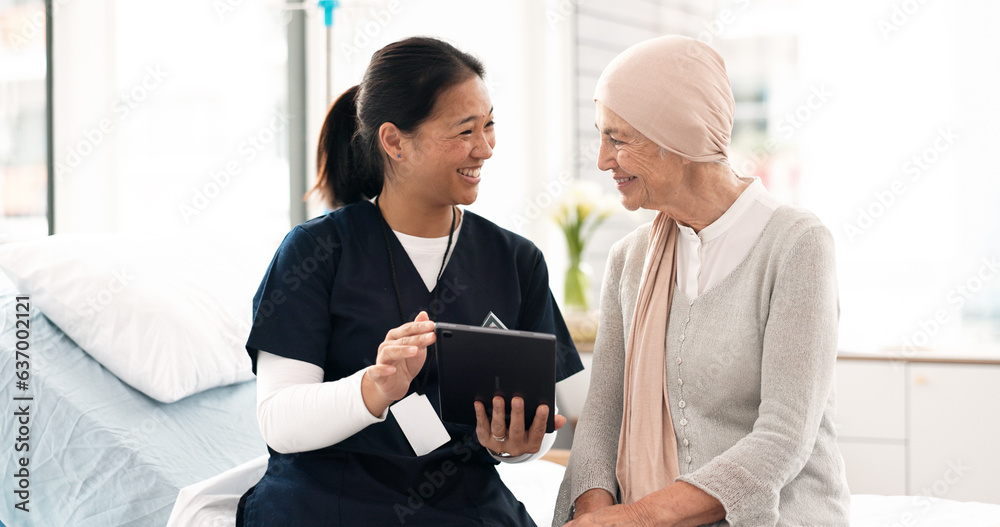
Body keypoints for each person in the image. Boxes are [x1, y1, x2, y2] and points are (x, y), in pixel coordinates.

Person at [237, 36, 583, 526]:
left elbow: (545, 420)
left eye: (489, 126)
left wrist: (520, 446)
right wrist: (373, 388)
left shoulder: (515, 260)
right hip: (329, 500)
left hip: (463, 502)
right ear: (394, 141)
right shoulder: (317, 253)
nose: (483, 148)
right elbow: (279, 421)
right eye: (464, 131)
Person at [553, 35, 850, 526]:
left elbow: (783, 438)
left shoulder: (796, 244)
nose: (603, 160)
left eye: (618, 138)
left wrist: (637, 518)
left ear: (680, 140)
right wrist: (595, 516)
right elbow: (601, 423)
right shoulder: (629, 260)